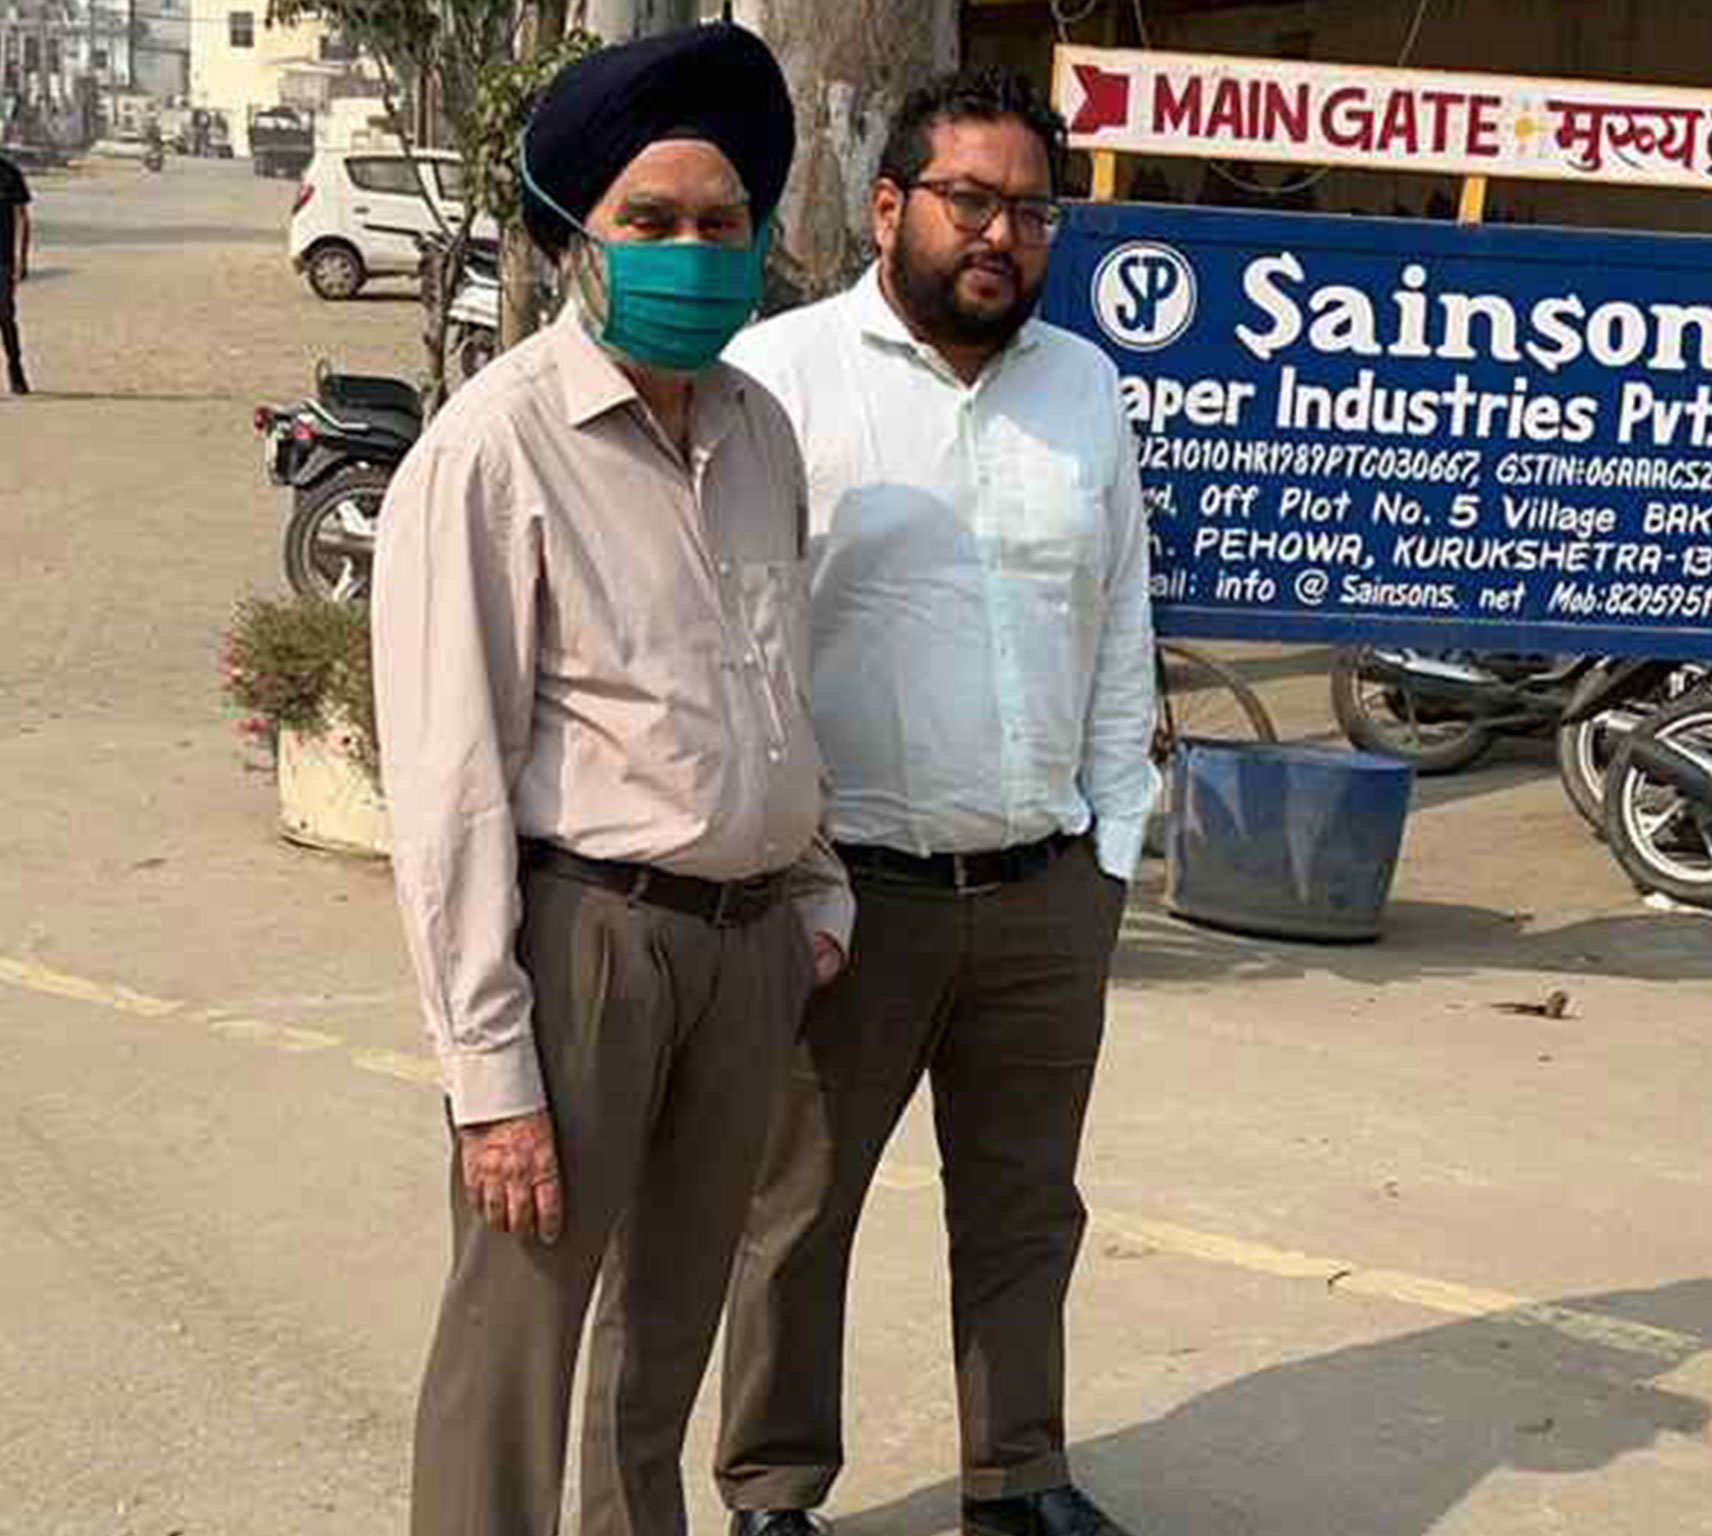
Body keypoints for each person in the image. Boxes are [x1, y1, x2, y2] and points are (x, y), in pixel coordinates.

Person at [369, 23, 852, 1536]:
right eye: (651, 220)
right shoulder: (494, 450)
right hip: (584, 942)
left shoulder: (760, 432)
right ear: (576, 239)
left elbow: (777, 679)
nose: (692, 252)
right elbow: (445, 783)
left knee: (668, 1335)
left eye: (721, 221)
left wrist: (815, 887)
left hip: (747, 945)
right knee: (516, 1338)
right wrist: (489, 1075)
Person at [711, 65, 1157, 1536]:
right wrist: (779, 873)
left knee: (1027, 1207)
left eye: (1031, 210)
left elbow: (1119, 619)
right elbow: (733, 640)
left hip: (1043, 893)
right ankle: (774, 1490)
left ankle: (1017, 1478)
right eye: (969, 199)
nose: (1001, 234)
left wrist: (1112, 836)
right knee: (797, 1211)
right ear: (889, 204)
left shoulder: (1083, 388)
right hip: (849, 898)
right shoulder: (779, 378)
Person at [0, 148, 31, 395]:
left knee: (5, 315)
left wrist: (21, 258)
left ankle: (15, 367)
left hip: (3, 260)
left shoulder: (9, 173)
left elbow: (22, 218)